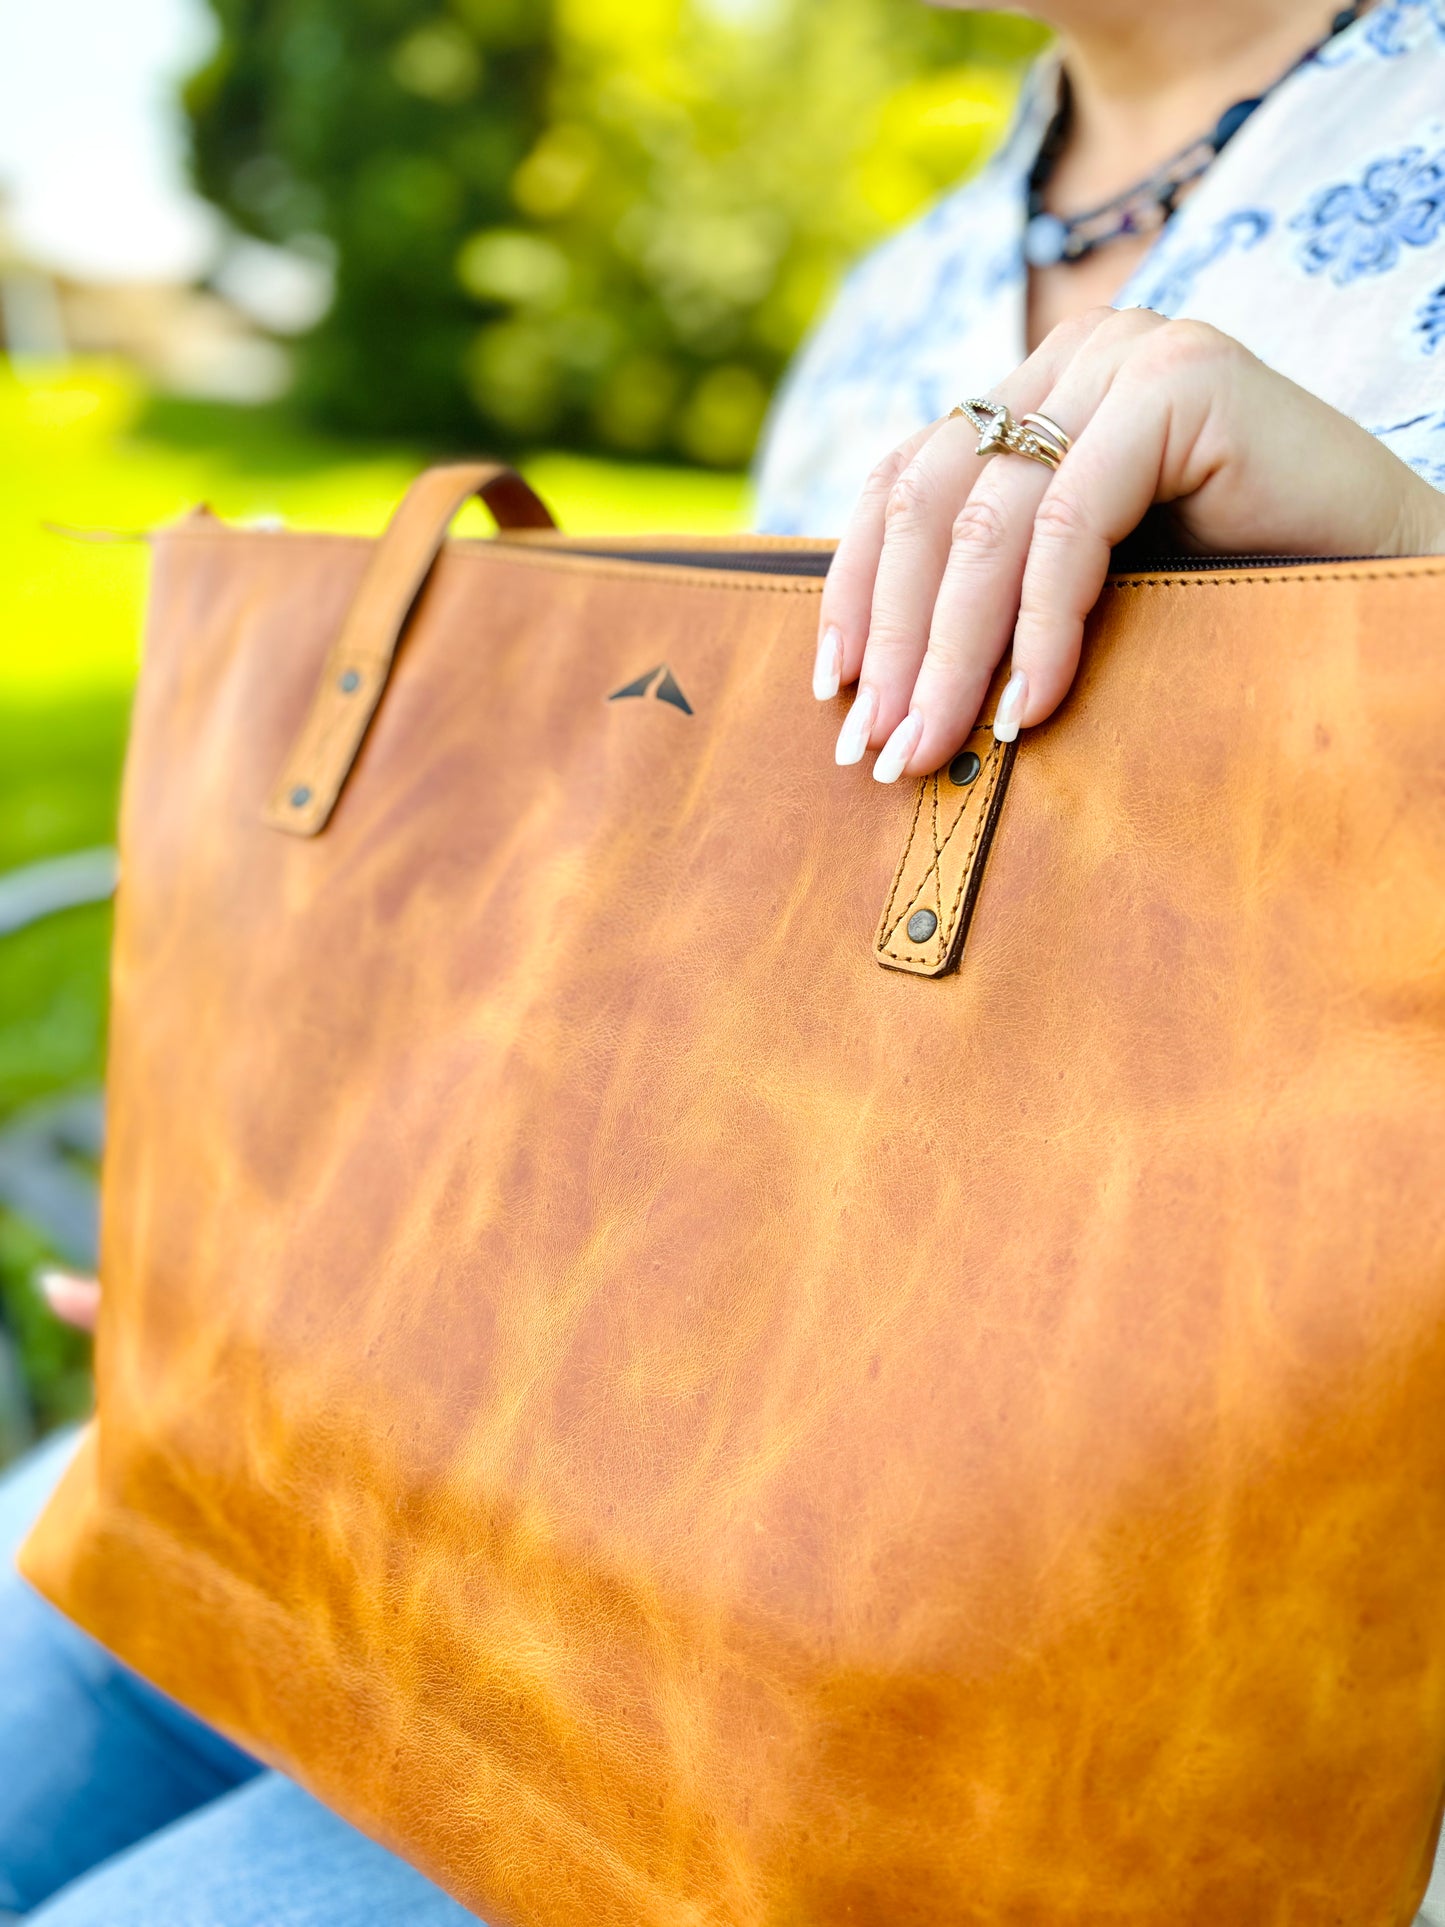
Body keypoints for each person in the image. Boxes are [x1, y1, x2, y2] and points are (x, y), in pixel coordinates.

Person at [6, 1, 1445, 1920]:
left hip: (987, 1659)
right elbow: (728, 984)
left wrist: (1393, 544)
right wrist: (307, 1244)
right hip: (580, 1454)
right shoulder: (901, 292)